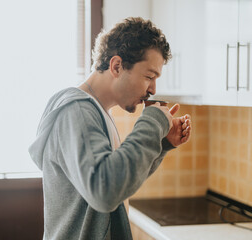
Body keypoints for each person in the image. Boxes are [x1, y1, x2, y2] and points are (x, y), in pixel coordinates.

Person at [29, 17, 192, 240]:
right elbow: (104, 192)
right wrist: (152, 121)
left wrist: (162, 144)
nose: (153, 89)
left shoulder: (98, 112)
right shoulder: (77, 112)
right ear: (116, 66)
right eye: (149, 76)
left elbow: (119, 182)